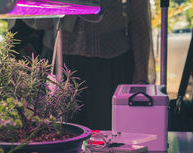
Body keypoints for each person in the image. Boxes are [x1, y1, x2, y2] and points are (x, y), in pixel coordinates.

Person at [24, 0, 154, 130]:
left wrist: (141, 76)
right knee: (56, 133)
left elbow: (139, 22)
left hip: (111, 66)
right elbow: (34, 18)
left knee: (109, 137)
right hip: (59, 60)